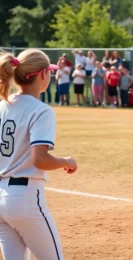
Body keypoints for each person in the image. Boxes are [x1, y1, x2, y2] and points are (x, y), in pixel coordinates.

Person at [0, 48, 77, 260]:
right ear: (42, 74)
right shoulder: (41, 110)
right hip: (25, 198)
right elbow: (39, 159)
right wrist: (65, 161)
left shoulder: (2, 106)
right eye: (49, 71)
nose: (51, 75)